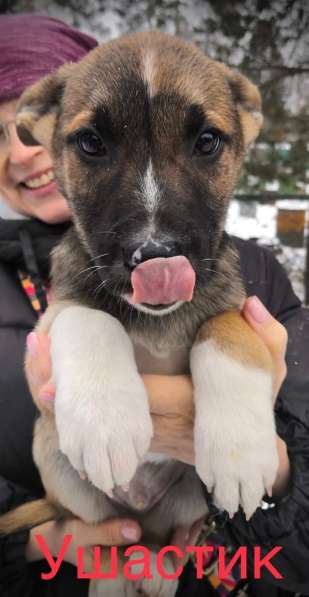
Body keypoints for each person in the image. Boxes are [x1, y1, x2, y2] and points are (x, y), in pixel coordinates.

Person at [0, 12, 308, 597]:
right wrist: (36, 549)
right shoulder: (69, 277)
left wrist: (272, 470)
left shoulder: (258, 273)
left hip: (208, 550)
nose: (152, 230)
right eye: (93, 143)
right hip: (73, 534)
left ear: (245, 126)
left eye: (205, 141)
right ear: (41, 127)